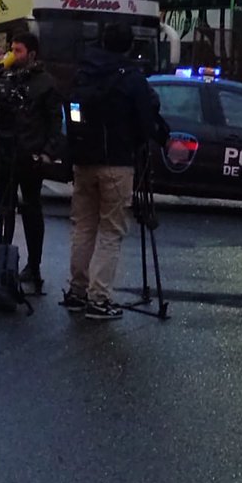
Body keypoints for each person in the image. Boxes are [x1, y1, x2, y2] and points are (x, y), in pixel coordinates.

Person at [62, 23, 159, 321]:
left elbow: (71, 112)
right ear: (130, 46)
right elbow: (146, 122)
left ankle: (77, 291)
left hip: (83, 159)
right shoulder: (131, 78)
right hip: (117, 162)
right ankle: (99, 297)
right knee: (110, 231)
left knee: (83, 226)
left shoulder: (84, 72)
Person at [0, 31, 63, 291]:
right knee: (5, 208)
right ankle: (4, 263)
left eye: (19, 50)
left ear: (32, 54)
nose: (13, 54)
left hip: (29, 156)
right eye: (12, 49)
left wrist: (47, 151)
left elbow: (55, 122)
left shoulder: (45, 83)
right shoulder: (5, 77)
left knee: (32, 210)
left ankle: (33, 267)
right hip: (4, 153)